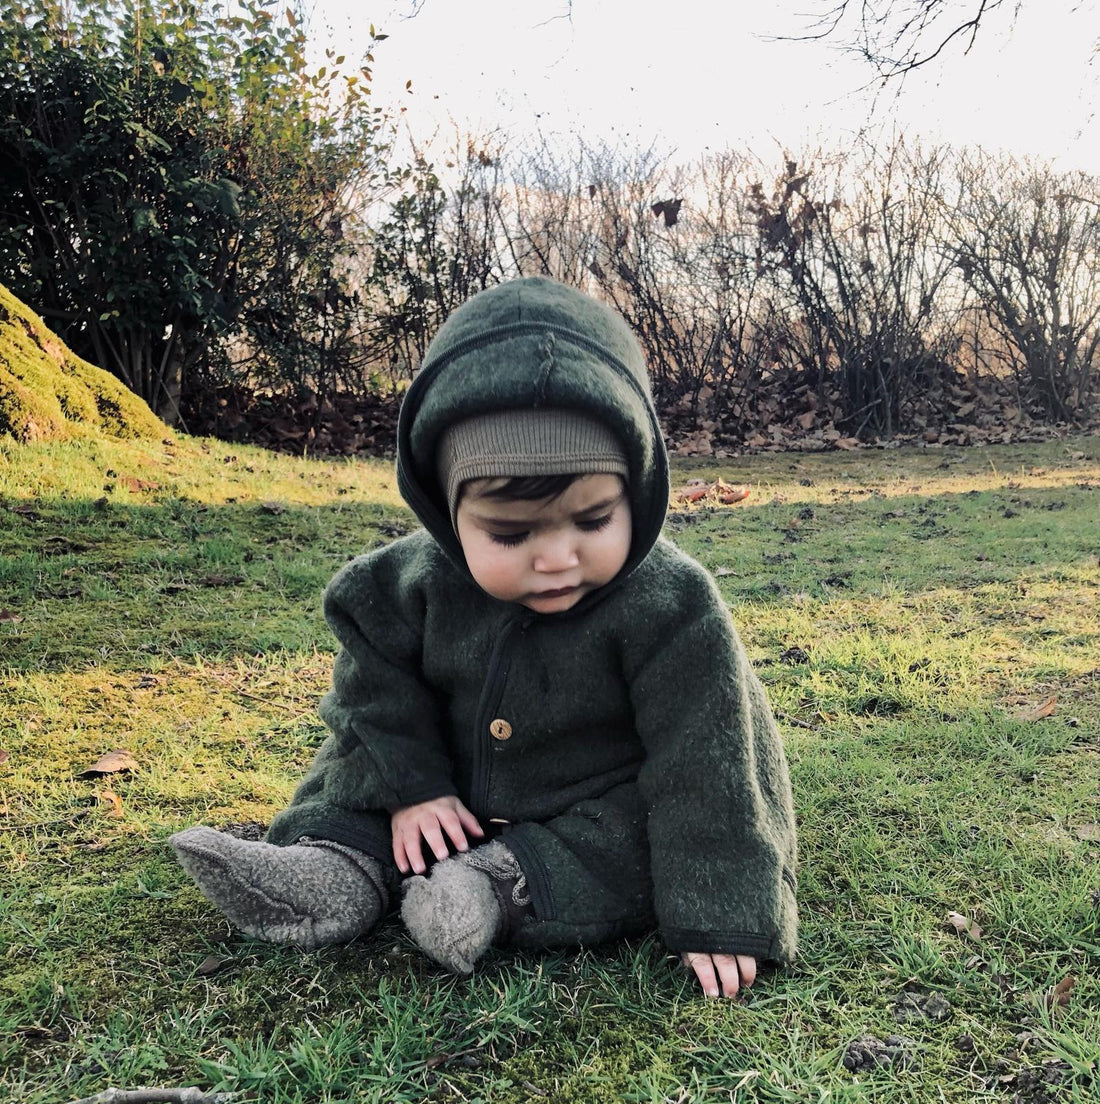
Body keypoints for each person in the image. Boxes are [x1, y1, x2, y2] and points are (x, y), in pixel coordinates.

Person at [170, 276, 797, 999]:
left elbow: (713, 761)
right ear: (445, 509)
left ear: (639, 487)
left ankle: (495, 888)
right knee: (352, 756)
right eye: (509, 533)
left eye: (593, 521)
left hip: (582, 806)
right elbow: (373, 690)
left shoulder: (673, 606)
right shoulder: (404, 585)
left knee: (633, 835)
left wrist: (722, 913)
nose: (556, 557)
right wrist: (412, 789)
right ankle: (333, 863)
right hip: (443, 783)